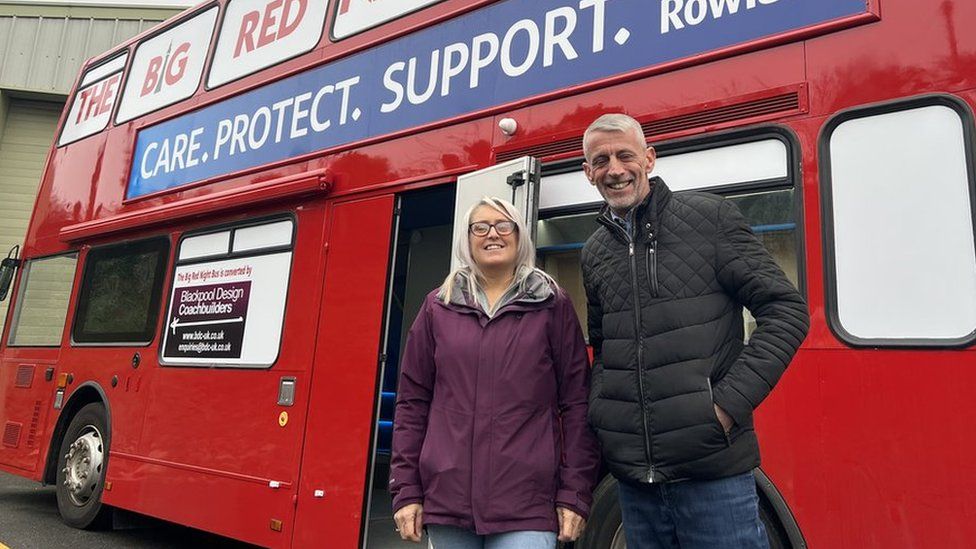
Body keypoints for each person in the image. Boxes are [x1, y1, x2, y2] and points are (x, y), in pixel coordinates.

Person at [580, 113, 810, 548]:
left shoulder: (711, 219)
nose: (614, 169)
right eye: (601, 160)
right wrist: (604, 417)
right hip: (634, 482)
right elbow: (604, 348)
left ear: (649, 158)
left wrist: (724, 407)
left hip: (712, 473)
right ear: (587, 172)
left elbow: (787, 310)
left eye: (625, 155)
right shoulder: (594, 253)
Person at [390, 197, 600, 548]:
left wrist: (574, 492)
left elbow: (578, 404)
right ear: (467, 239)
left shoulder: (552, 304)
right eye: (480, 227)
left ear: (520, 237)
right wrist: (406, 489)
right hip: (448, 498)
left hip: (528, 502)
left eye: (504, 226)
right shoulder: (437, 307)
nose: (493, 234)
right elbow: (413, 403)